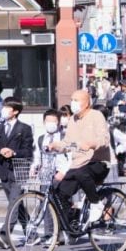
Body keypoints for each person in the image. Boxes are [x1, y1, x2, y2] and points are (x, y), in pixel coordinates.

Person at [49, 90, 111, 228]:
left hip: (97, 162)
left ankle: (96, 203)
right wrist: (55, 146)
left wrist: (91, 143)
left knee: (81, 173)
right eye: (72, 99)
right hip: (78, 163)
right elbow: (67, 143)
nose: (73, 103)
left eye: (77, 100)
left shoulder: (96, 115)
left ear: (87, 103)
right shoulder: (72, 120)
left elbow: (104, 139)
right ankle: (71, 227)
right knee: (59, 194)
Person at [0, 96, 34, 249]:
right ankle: (32, 234)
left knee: (14, 203)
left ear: (15, 112)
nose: (4, 110)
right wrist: (1, 150)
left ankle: (5, 235)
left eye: (7, 108)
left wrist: (13, 152)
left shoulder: (24, 128)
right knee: (16, 204)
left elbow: (28, 150)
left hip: (19, 170)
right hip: (4, 170)